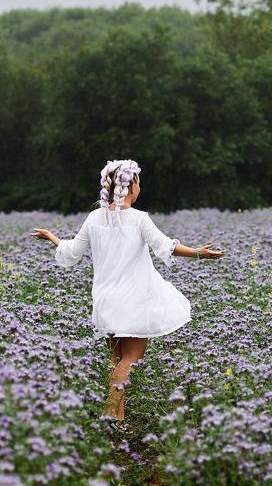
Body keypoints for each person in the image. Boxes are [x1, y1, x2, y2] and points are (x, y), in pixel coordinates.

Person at [31, 158, 224, 423]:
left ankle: (117, 418)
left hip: (105, 300)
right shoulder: (138, 219)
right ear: (131, 186)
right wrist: (200, 253)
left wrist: (52, 237)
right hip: (133, 300)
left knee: (116, 358)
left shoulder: (94, 218)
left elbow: (72, 251)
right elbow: (165, 247)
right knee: (131, 359)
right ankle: (110, 412)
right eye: (139, 182)